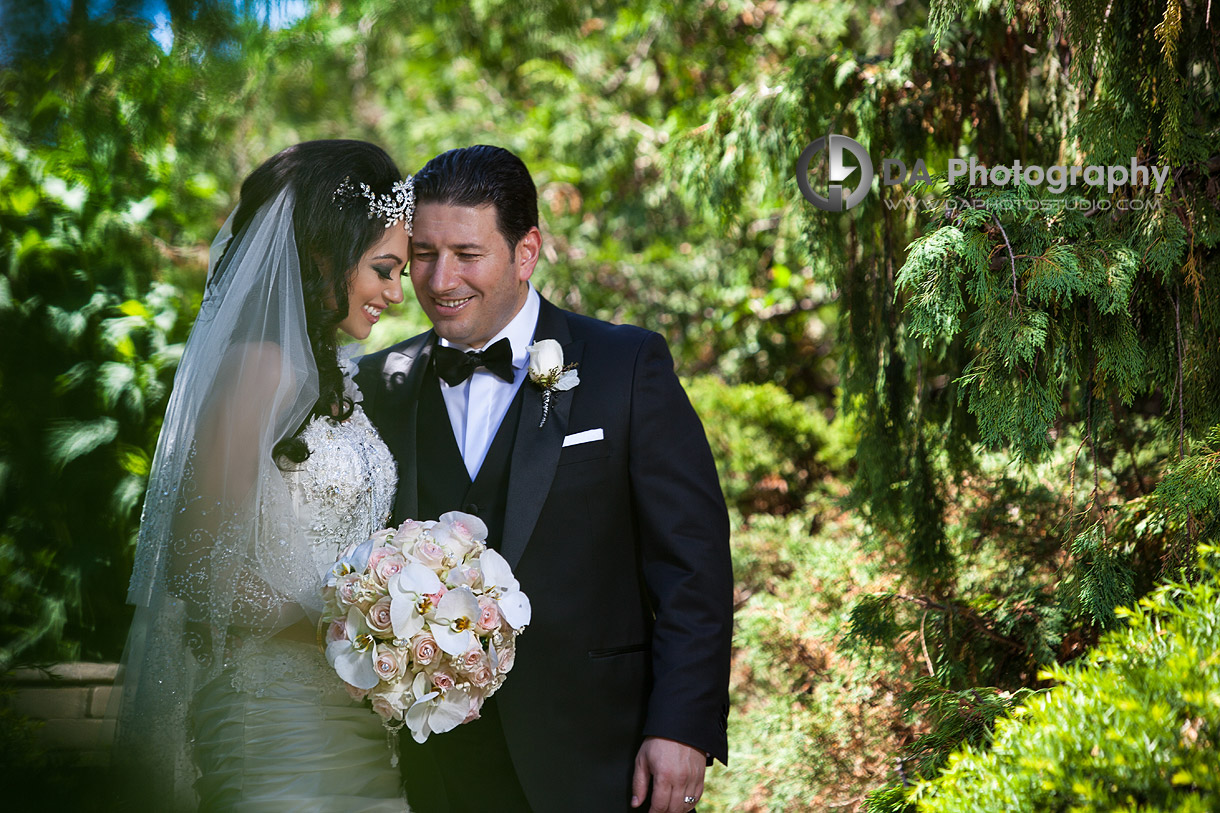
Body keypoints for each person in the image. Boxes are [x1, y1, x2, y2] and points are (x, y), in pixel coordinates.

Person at [355, 145, 733, 813]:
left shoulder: (625, 364)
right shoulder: (378, 385)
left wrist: (681, 724)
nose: (440, 279)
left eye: (467, 255)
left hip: (598, 757)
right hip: (431, 773)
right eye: (423, 253)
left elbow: (692, 563)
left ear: (525, 252)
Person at [113, 140, 414, 811]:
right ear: (322, 257)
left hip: (352, 725)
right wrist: (338, 623)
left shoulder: (330, 378)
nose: (397, 293)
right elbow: (196, 565)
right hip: (274, 730)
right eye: (383, 269)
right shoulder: (260, 367)